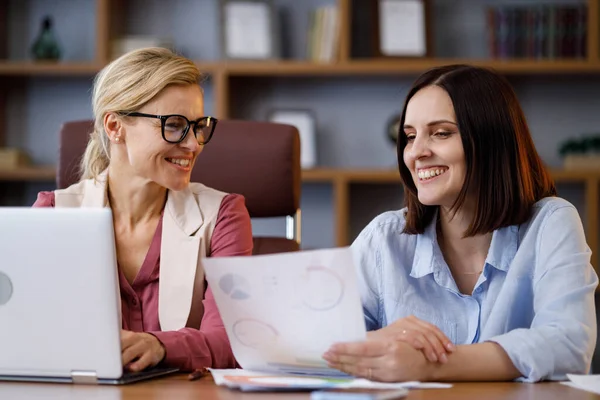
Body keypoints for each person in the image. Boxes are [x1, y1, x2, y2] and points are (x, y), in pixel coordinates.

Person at [322, 64, 598, 382]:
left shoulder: (551, 223)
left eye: (441, 133)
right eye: (410, 137)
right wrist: (376, 343)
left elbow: (568, 345)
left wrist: (430, 364)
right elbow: (309, 341)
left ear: (492, 141)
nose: (416, 153)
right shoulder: (384, 239)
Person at [33, 47, 253, 372]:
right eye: (175, 125)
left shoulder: (223, 215)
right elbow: (25, 331)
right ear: (114, 126)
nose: (194, 144)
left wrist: (161, 345)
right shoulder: (53, 214)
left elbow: (232, 340)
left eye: (199, 126)